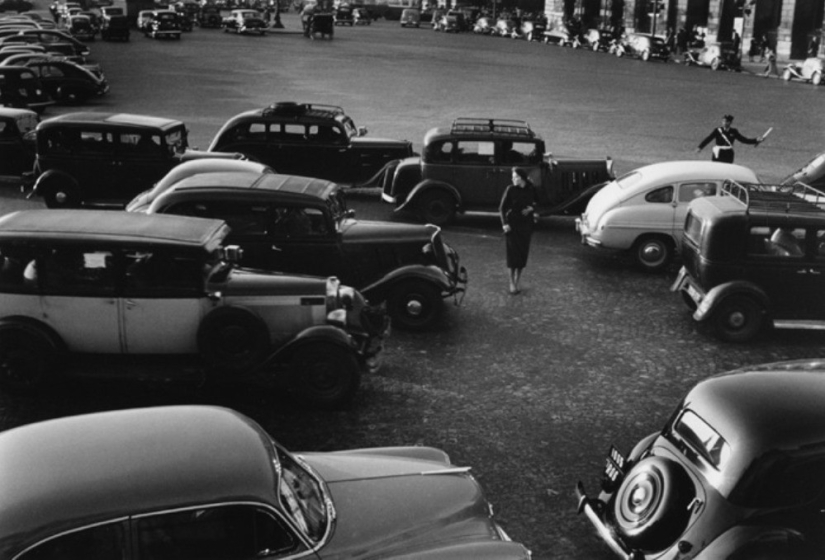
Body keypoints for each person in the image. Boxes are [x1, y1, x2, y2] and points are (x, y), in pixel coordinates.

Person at [499, 168, 536, 295]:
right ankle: (511, 282)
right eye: (513, 177)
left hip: (526, 226)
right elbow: (502, 208)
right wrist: (505, 224)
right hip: (512, 225)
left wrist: (532, 208)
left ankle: (517, 280)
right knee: (512, 255)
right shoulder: (510, 189)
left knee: (522, 254)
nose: (513, 179)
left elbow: (538, 201)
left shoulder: (530, 189)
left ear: (522, 178)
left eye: (515, 177)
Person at [696, 114, 761, 164]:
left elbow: (743, 140)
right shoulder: (717, 130)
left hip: (728, 153)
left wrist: (755, 140)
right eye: (723, 121)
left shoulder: (734, 131)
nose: (724, 123)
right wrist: (700, 147)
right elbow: (708, 139)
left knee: (728, 168)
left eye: (726, 121)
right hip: (719, 152)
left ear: (730, 122)